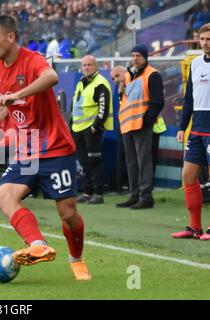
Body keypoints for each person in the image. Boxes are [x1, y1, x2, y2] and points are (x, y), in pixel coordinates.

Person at [0, 15, 91, 280]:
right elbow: (13, 105)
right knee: (4, 197)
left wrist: (17, 95)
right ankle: (37, 244)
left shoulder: (33, 60)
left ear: (10, 38)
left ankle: (76, 259)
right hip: (27, 150)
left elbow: (52, 76)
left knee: (67, 213)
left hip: (56, 147)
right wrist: (4, 111)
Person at [172, 23, 210, 240]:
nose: (205, 43)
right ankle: (194, 227)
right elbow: (189, 99)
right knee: (188, 176)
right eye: (202, 39)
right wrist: (182, 127)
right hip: (196, 129)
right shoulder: (195, 65)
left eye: (208, 39)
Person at [116, 45, 165, 209]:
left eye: (138, 55)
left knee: (144, 161)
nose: (134, 58)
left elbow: (158, 102)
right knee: (131, 162)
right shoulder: (129, 76)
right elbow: (126, 99)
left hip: (141, 125)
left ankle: (146, 197)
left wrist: (146, 121)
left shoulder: (153, 74)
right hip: (128, 125)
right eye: (133, 55)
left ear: (145, 57)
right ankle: (134, 194)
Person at [72, 55, 113, 204]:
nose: (87, 67)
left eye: (90, 65)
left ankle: (98, 193)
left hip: (91, 129)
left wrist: (95, 126)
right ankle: (87, 192)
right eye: (84, 65)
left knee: (94, 161)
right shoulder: (81, 83)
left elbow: (104, 107)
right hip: (78, 128)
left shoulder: (100, 83)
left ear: (96, 66)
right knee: (84, 162)